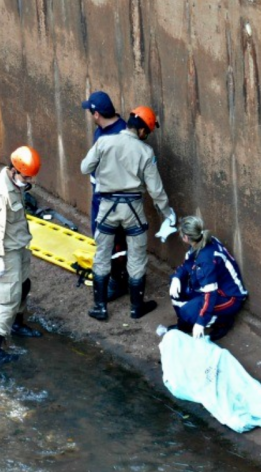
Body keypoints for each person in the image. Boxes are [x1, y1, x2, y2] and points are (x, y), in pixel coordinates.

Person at [81, 106, 175, 321]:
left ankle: (100, 307)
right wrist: (168, 214)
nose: (147, 137)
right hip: (133, 209)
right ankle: (136, 307)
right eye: (148, 132)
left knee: (102, 255)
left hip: (107, 207)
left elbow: (85, 167)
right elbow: (156, 190)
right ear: (142, 131)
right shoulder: (145, 152)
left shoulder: (104, 142)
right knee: (137, 256)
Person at [0, 146, 43, 366]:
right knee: (7, 299)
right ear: (14, 170)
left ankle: (17, 324)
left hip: (19, 245)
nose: (30, 182)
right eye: (27, 177)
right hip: (6, 252)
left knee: (24, 285)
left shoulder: (16, 183)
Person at [169, 215, 248, 341]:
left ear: (186, 238)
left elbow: (210, 293)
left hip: (230, 296)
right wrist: (176, 277)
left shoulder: (206, 259)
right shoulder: (200, 241)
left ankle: (223, 321)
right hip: (216, 288)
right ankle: (185, 324)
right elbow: (188, 265)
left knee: (189, 312)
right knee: (177, 287)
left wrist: (201, 321)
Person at [81, 91, 128, 301]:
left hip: (111, 198)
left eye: (92, 112)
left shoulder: (119, 136)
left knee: (113, 240)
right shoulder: (104, 129)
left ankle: (118, 281)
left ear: (97, 113)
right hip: (101, 193)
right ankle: (116, 275)